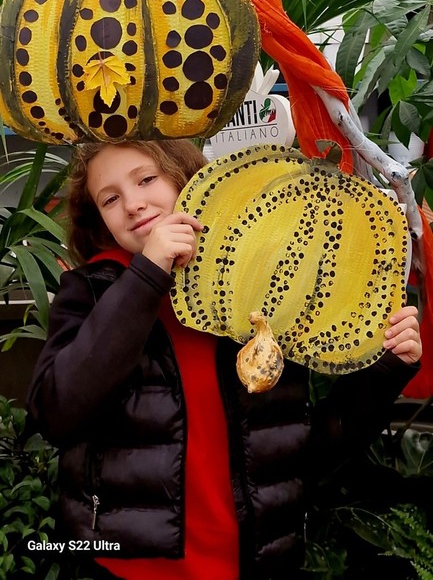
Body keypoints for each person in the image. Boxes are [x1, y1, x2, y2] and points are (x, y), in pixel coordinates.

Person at [27, 139, 422, 580]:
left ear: (188, 175)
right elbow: (57, 413)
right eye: (110, 199)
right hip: (127, 569)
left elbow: (303, 456)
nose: (133, 204)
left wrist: (386, 368)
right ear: (99, 218)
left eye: (147, 179)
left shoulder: (261, 287)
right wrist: (147, 276)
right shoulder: (92, 290)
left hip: (255, 566)